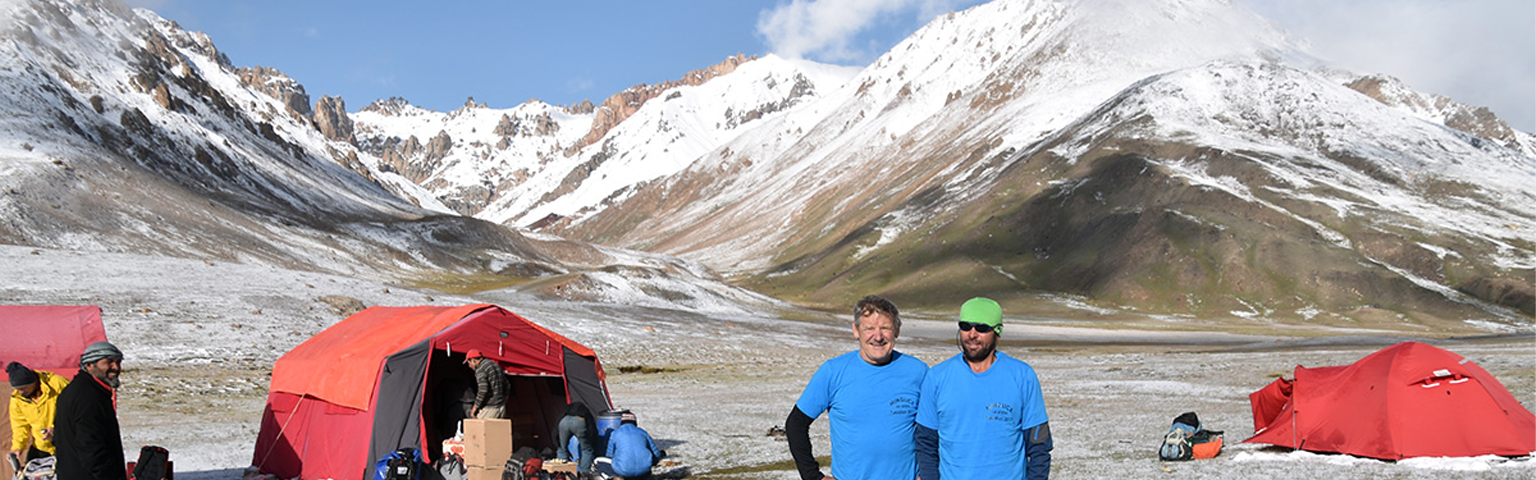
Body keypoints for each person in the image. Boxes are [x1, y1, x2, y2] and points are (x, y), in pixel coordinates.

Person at [786, 295, 929, 480]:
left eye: (885, 328)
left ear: (897, 331)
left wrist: (928, 474)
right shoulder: (833, 371)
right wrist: (813, 476)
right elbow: (795, 424)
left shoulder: (918, 372)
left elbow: (937, 428)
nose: (878, 337)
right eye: (869, 328)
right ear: (856, 330)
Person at [915, 297, 1051, 480]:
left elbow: (1039, 446)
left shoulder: (1023, 376)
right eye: (965, 326)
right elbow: (926, 444)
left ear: (998, 332)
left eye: (982, 328)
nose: (972, 334)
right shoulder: (937, 377)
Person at [53, 341, 128, 480]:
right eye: (108, 362)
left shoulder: (77, 390)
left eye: (118, 362)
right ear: (89, 365)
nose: (116, 367)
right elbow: (91, 447)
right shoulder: (88, 397)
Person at [9, 362, 70, 462]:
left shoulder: (57, 384)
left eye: (23, 388)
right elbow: (19, 427)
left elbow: (78, 411)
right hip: (42, 448)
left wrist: (58, 429)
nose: (21, 392)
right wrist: (17, 447)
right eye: (17, 389)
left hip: (68, 445)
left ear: (33, 382)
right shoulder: (17, 399)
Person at [604, 412, 663, 480]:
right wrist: (653, 463)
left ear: (621, 422)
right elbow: (656, 453)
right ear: (635, 422)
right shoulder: (643, 432)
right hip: (644, 470)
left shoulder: (615, 433)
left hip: (623, 471)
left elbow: (609, 455)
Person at [464, 349, 508, 419]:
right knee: (498, 429)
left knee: (479, 429)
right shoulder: (496, 366)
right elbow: (507, 385)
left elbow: (483, 390)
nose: (469, 366)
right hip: (501, 407)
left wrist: (475, 408)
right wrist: (503, 400)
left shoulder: (481, 369)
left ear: (473, 360)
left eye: (469, 363)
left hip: (490, 408)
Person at [553, 401, 596, 474]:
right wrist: (591, 440)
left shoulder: (565, 411)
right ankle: (584, 474)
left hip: (564, 422)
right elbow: (591, 428)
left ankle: (561, 474)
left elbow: (556, 427)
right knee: (586, 450)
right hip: (580, 421)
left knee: (562, 449)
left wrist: (556, 442)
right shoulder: (585, 411)